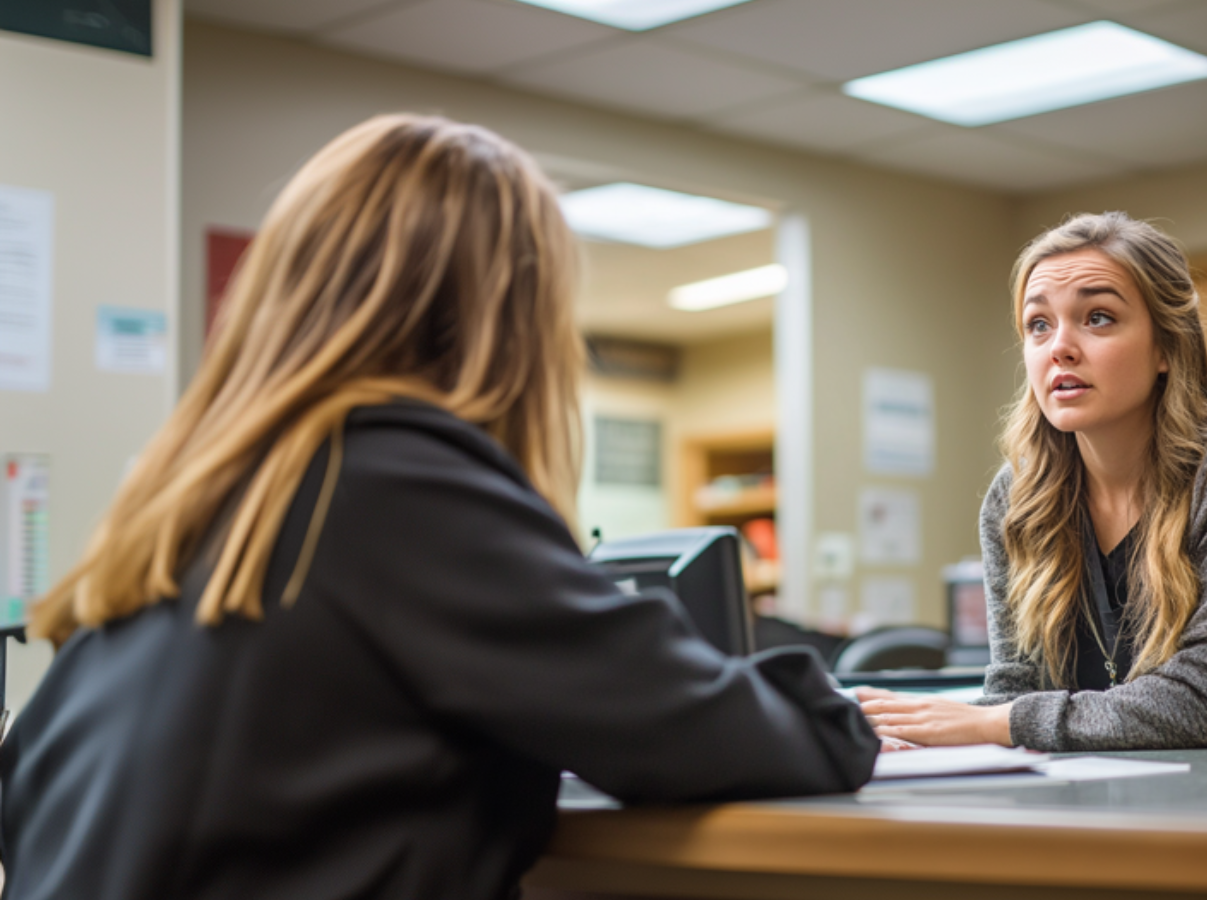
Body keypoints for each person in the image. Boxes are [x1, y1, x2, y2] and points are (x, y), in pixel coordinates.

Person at [0, 114, 877, 899]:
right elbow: (752, 739)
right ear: (511, 318)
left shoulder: (191, 506)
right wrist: (826, 696)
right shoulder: (396, 487)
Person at [862, 212, 1207, 751]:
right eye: (1039, 324)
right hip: (1105, 792)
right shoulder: (1018, 498)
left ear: (1166, 348)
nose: (1059, 346)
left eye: (1098, 317)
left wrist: (998, 723)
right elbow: (1014, 690)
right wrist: (910, 739)